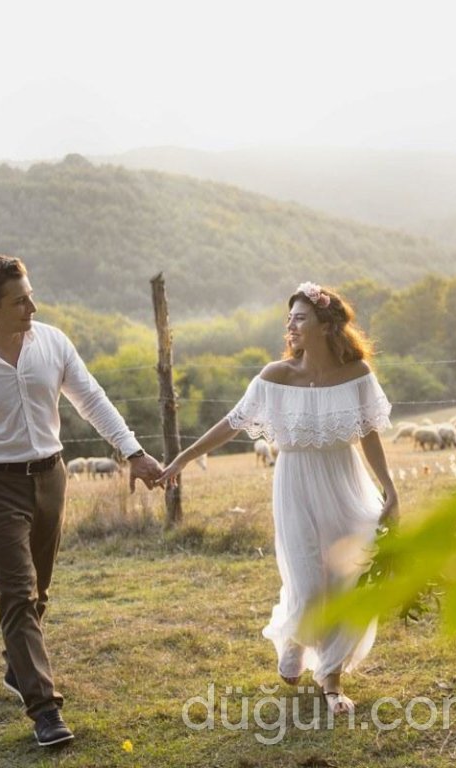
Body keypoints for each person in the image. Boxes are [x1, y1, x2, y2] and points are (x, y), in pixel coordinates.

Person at [0, 254, 163, 746]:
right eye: (20, 300)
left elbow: (92, 399)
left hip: (51, 478)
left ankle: (18, 667)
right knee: (17, 593)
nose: (33, 305)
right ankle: (45, 710)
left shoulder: (52, 342)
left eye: (30, 294)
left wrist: (133, 453)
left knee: (40, 591)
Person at [157, 281, 398, 714]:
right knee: (308, 582)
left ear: (326, 326)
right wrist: (183, 458)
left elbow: (369, 435)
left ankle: (331, 678)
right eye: (288, 318)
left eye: (300, 317)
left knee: (350, 577)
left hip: (345, 480)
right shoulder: (275, 376)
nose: (290, 325)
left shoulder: (357, 375)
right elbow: (232, 423)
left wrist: (391, 489)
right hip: (296, 483)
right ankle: (294, 636)